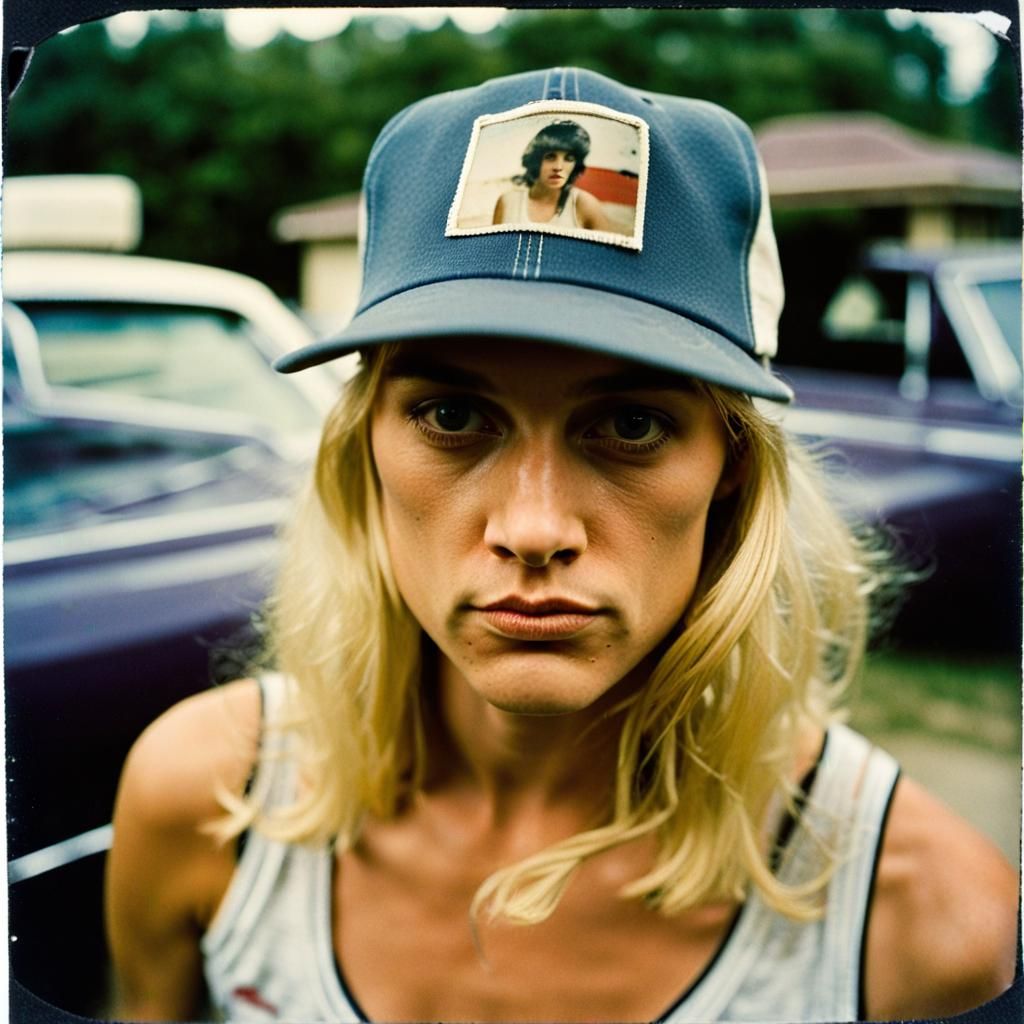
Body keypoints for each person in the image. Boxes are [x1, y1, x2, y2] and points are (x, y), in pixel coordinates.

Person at [105, 67, 1018, 1023]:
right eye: (454, 414)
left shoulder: (935, 928)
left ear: (733, 469)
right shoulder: (209, 800)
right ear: (364, 448)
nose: (534, 529)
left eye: (628, 426)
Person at [492, 119, 613, 232]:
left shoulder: (584, 204)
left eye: (569, 158)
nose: (558, 167)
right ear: (536, 160)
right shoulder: (508, 202)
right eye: (550, 157)